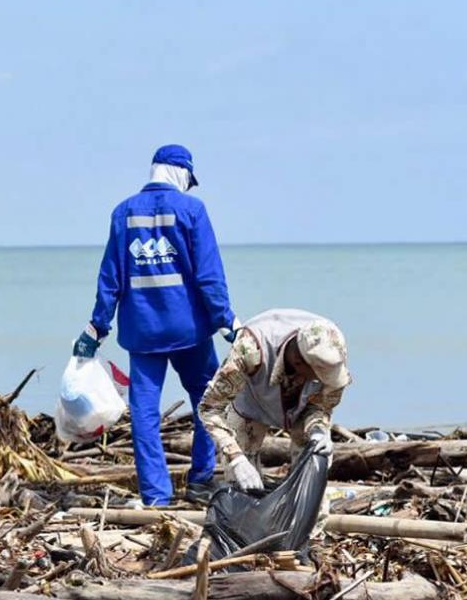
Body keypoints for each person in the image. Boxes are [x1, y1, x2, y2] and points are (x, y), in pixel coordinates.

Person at [73, 144, 237, 506]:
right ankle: (200, 480)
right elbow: (209, 276)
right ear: (181, 172)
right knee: (210, 402)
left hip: (143, 332)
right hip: (189, 330)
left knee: (145, 414)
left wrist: (95, 329)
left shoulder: (123, 212)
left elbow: (110, 278)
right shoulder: (192, 209)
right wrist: (228, 322)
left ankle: (156, 495)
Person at [198, 309, 350, 490]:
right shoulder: (250, 349)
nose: (324, 380)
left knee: (313, 482)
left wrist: (318, 430)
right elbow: (210, 408)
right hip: (250, 402)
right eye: (319, 376)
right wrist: (236, 458)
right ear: (298, 362)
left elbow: (322, 406)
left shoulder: (332, 350)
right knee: (241, 485)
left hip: (303, 407)